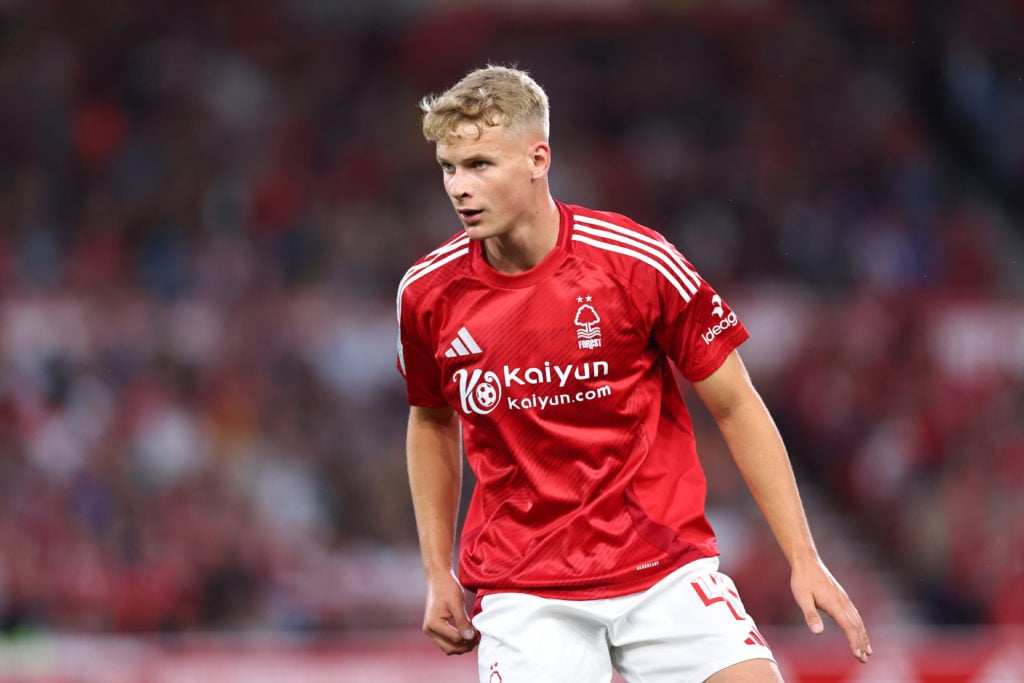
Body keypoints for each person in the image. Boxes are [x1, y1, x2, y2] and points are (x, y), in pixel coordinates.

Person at [396, 64, 871, 683]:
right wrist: (438, 573)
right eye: (449, 168)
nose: (459, 187)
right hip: (529, 591)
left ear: (539, 158)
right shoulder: (428, 293)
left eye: (480, 165)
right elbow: (430, 422)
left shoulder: (633, 261)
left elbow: (736, 404)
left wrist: (803, 557)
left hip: (664, 568)